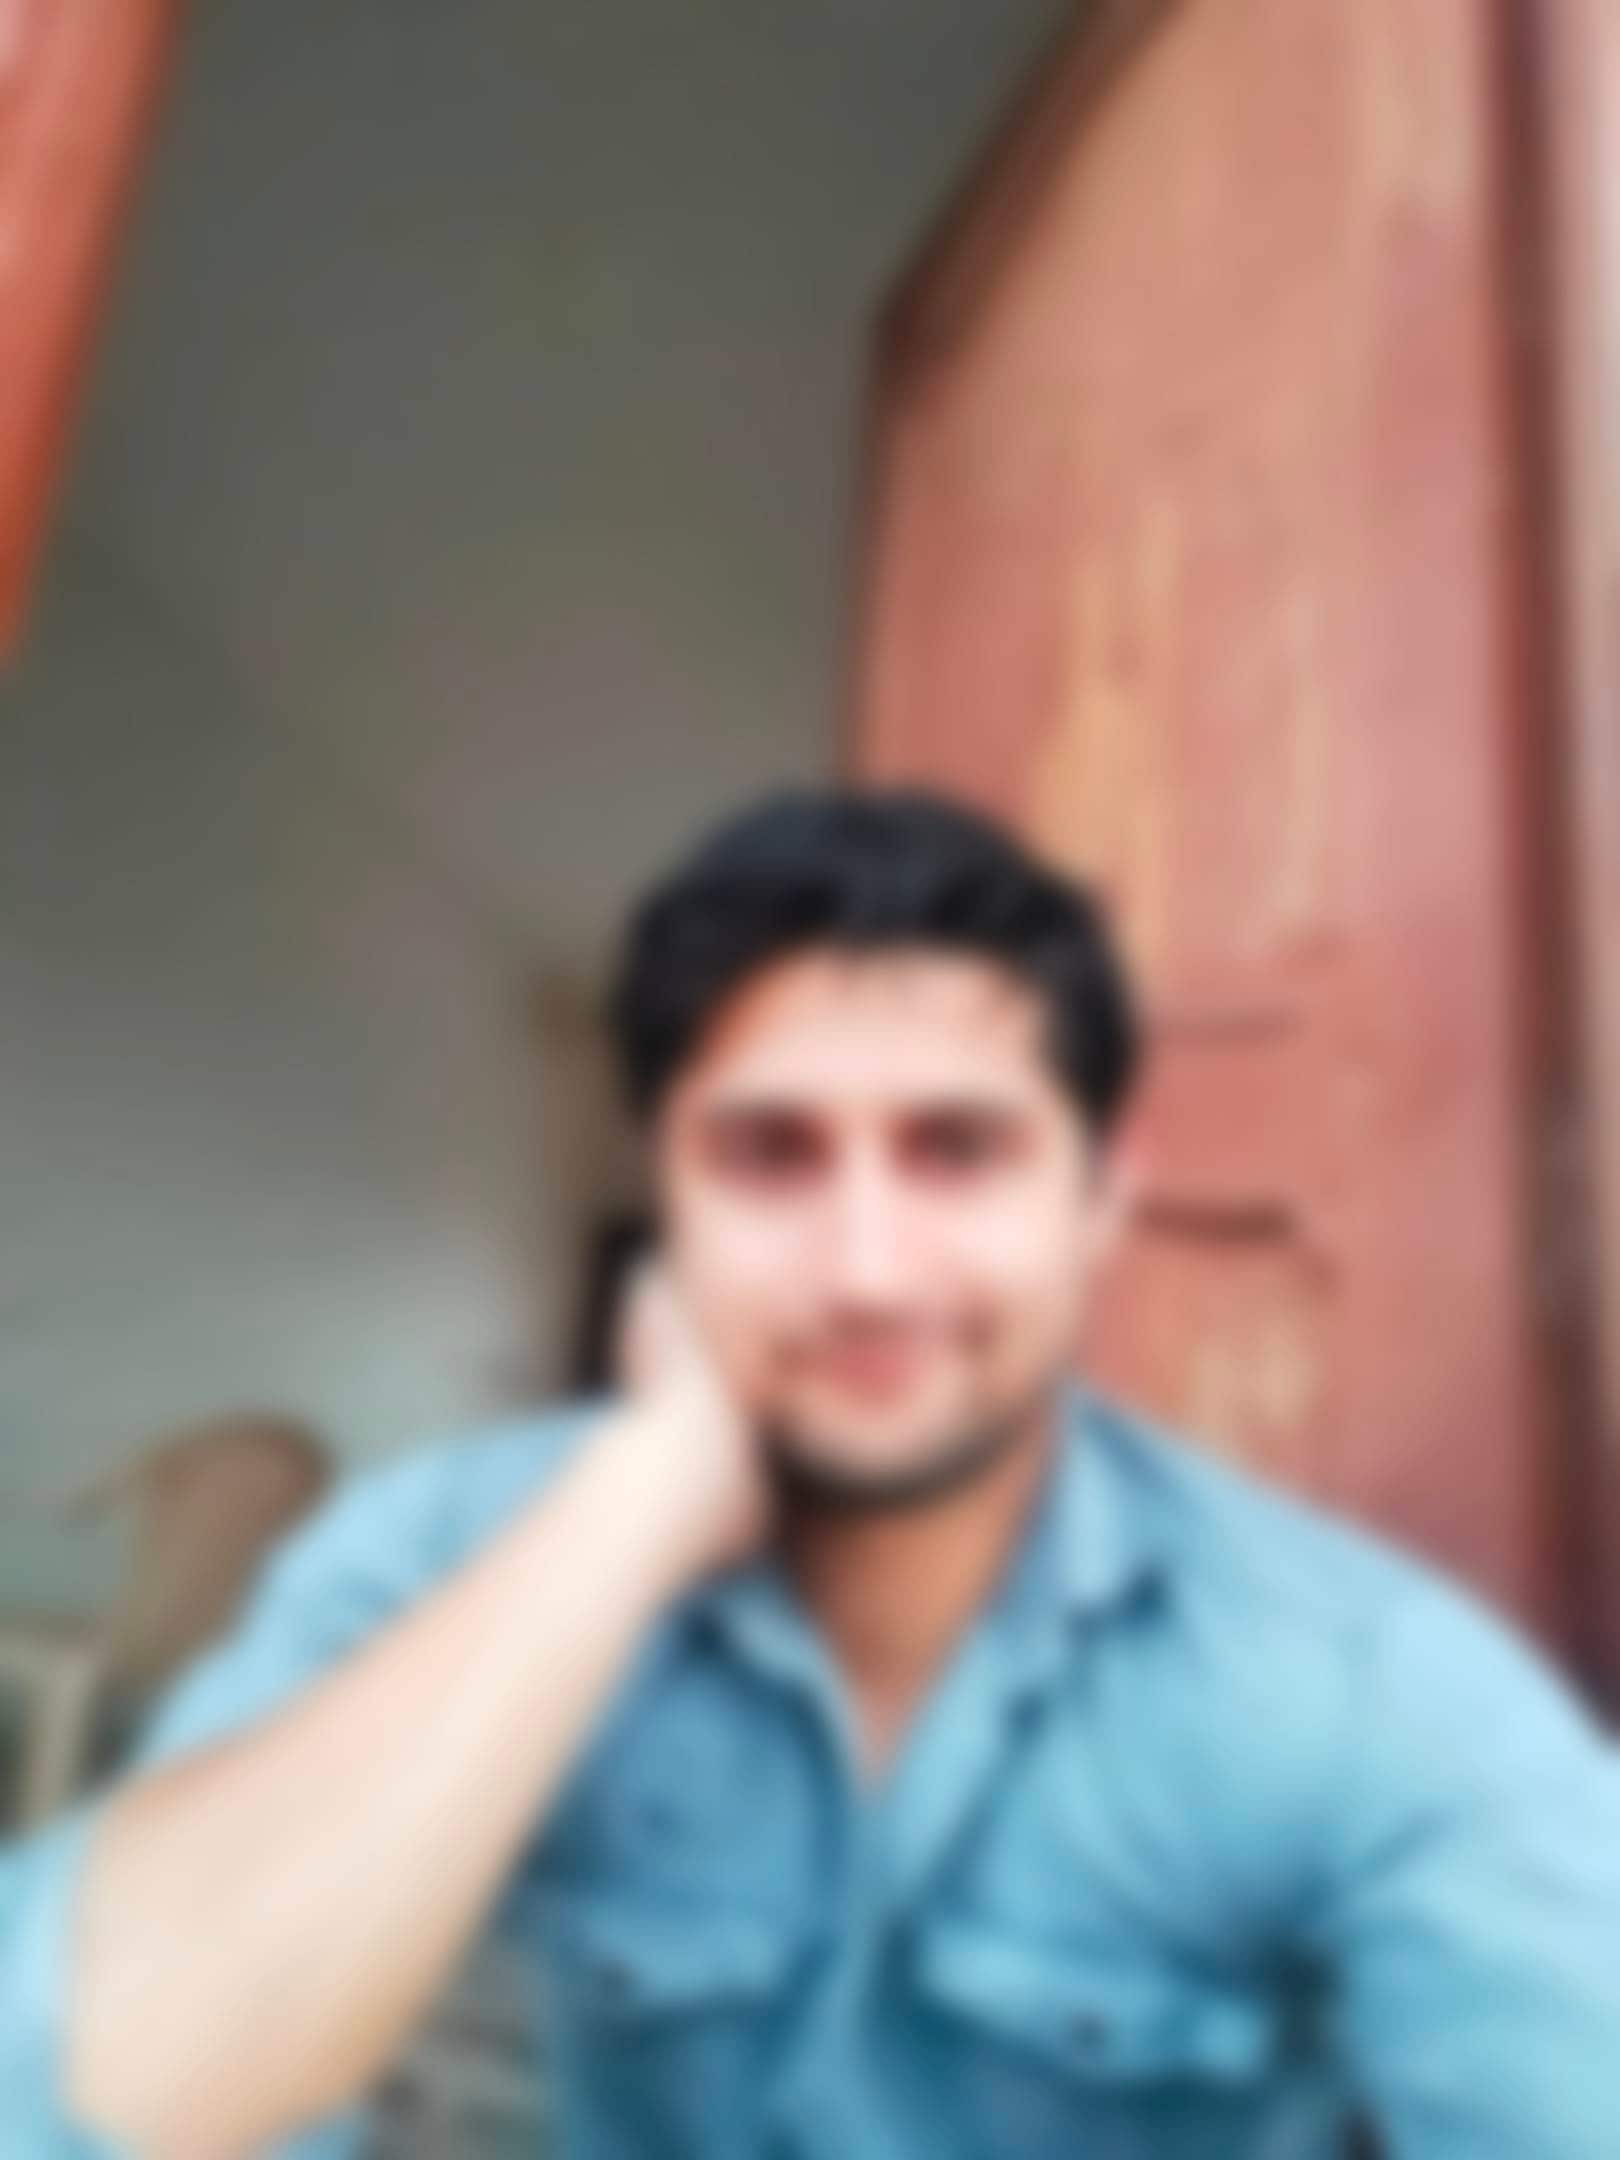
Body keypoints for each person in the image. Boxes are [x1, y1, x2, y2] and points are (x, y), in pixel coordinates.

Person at [2, 787, 1617, 2159]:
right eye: (768, 1154)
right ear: (665, 1192)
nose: (865, 1270)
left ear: (1103, 1197)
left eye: (960, 1150)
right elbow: (74, 2103)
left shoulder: (1367, 1685)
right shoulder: (444, 1546)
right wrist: (632, 1506)